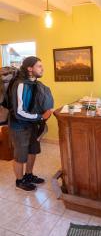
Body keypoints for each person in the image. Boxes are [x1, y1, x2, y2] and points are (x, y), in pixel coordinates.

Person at [8, 56, 53, 191]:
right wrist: (40, 117)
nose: (42, 68)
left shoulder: (34, 83)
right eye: (39, 66)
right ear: (29, 68)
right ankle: (19, 180)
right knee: (20, 155)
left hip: (32, 124)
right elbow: (19, 111)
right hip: (19, 126)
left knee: (32, 151)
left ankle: (29, 175)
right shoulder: (20, 84)